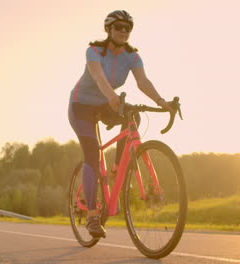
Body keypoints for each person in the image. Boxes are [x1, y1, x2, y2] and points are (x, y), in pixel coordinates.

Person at [68, 10, 173, 238]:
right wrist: (113, 98)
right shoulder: (94, 51)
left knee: (133, 117)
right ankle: (93, 216)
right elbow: (98, 77)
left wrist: (161, 101)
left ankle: (116, 170)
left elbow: (143, 81)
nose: (123, 31)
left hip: (106, 103)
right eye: (118, 27)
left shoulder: (132, 56)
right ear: (109, 30)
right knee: (93, 156)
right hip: (81, 106)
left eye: (127, 28)